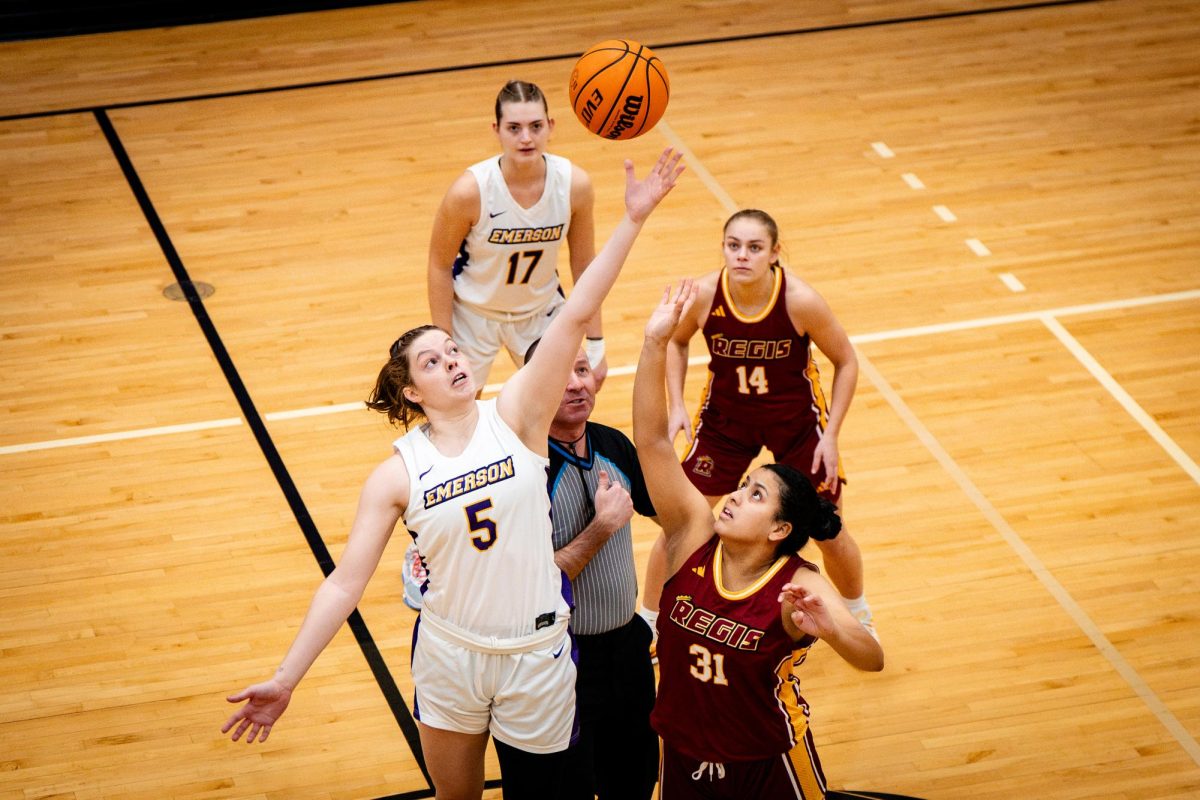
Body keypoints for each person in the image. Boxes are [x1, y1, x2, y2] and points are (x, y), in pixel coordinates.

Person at [221, 149, 685, 800]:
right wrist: (286, 678)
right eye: (433, 363)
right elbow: (343, 586)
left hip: (536, 655)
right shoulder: (396, 475)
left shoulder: (520, 413)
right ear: (413, 393)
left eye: (453, 351)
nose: (454, 361)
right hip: (449, 651)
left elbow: (576, 311)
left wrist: (633, 220)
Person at [633, 281, 884, 800]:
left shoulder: (798, 584)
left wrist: (832, 630)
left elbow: (872, 658)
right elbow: (652, 441)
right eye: (743, 486)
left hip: (768, 765)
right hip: (680, 754)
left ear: (779, 529)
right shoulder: (690, 537)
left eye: (754, 496)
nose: (733, 497)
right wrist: (655, 343)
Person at [405, 79, 606, 612]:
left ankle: (547, 522)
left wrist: (598, 337)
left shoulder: (574, 184)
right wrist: (444, 339)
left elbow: (586, 267)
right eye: (514, 127)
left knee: (561, 410)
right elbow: (436, 264)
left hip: (541, 314)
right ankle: (422, 551)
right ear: (495, 130)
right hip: (474, 317)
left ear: (551, 127)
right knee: (453, 424)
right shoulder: (470, 190)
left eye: (535, 125)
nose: (525, 136)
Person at [640, 209, 875, 644]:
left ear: (774, 253)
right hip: (726, 423)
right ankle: (651, 622)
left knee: (829, 530)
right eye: (733, 246)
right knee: (682, 522)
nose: (742, 256)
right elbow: (676, 340)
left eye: (754, 247)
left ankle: (860, 615)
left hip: (797, 424)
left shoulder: (799, 300)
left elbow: (846, 360)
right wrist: (676, 405)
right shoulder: (706, 294)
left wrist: (833, 433)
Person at [524, 338, 659, 800]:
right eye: (561, 375)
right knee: (573, 787)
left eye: (582, 370)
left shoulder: (613, 444)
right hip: (563, 659)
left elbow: (677, 523)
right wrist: (601, 527)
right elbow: (534, 584)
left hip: (628, 650)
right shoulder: (527, 472)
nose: (576, 384)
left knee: (636, 781)